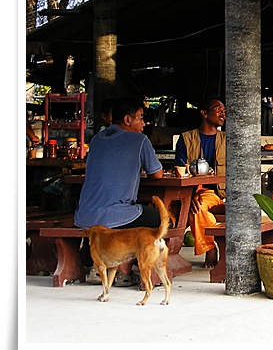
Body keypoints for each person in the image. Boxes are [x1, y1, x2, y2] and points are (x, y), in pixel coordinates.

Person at [74, 96, 164, 286]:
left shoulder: (97, 140)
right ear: (127, 120)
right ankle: (125, 267)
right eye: (140, 117)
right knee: (161, 220)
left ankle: (99, 263)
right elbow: (157, 174)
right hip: (116, 213)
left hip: (84, 214)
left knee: (131, 216)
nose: (144, 123)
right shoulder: (139, 140)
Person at [174, 97, 226, 268]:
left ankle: (210, 249)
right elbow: (179, 171)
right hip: (188, 191)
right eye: (218, 109)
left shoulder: (228, 140)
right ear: (204, 113)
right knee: (165, 212)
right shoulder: (186, 139)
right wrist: (189, 195)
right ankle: (165, 256)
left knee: (197, 208)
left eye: (224, 110)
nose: (223, 113)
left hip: (215, 193)